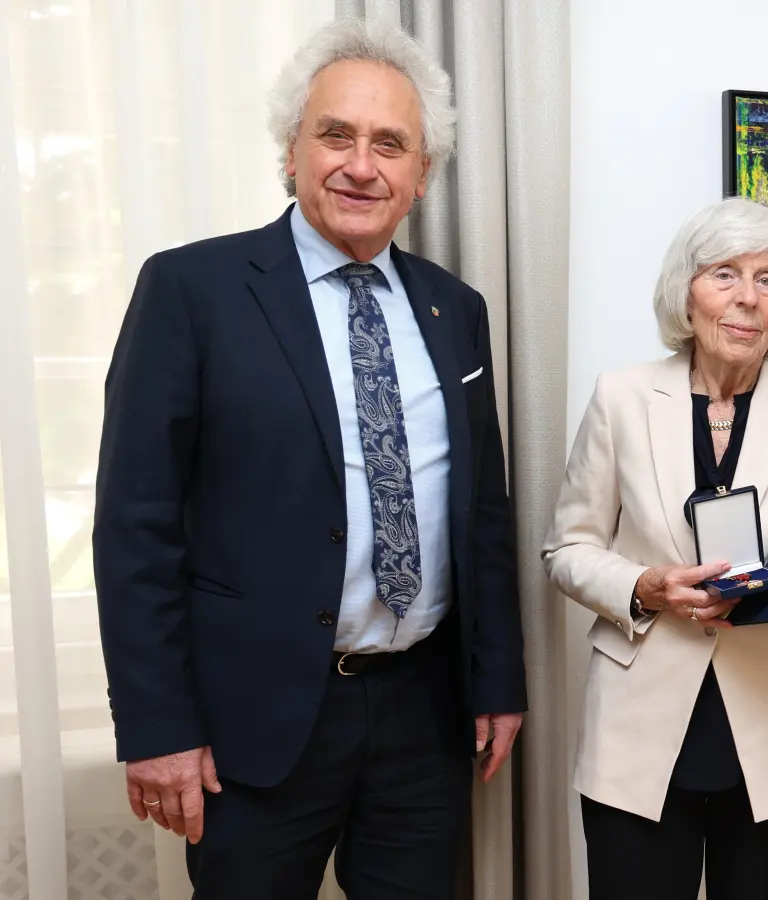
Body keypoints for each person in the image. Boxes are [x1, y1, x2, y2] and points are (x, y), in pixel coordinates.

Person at [91, 19, 526, 898]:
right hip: (255, 724)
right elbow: (135, 529)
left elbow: (481, 513)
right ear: (290, 152)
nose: (361, 165)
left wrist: (497, 682)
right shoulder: (191, 291)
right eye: (336, 135)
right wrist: (157, 727)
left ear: (421, 178)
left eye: (389, 145)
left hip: (423, 718)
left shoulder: (455, 308)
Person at [542, 197, 768, 900]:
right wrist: (643, 586)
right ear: (686, 291)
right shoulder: (621, 397)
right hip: (642, 724)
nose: (747, 298)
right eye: (724, 274)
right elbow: (567, 547)